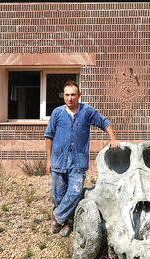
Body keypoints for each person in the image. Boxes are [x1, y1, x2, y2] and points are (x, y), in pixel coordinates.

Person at [44, 80, 119, 237]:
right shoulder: (57, 113)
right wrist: (49, 160)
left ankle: (57, 216)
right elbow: (48, 136)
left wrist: (112, 138)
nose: (70, 98)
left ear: (79, 96)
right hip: (58, 161)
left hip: (78, 162)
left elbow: (104, 121)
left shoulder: (87, 111)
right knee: (58, 195)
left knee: (75, 192)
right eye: (67, 95)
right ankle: (66, 223)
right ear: (63, 96)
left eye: (73, 95)